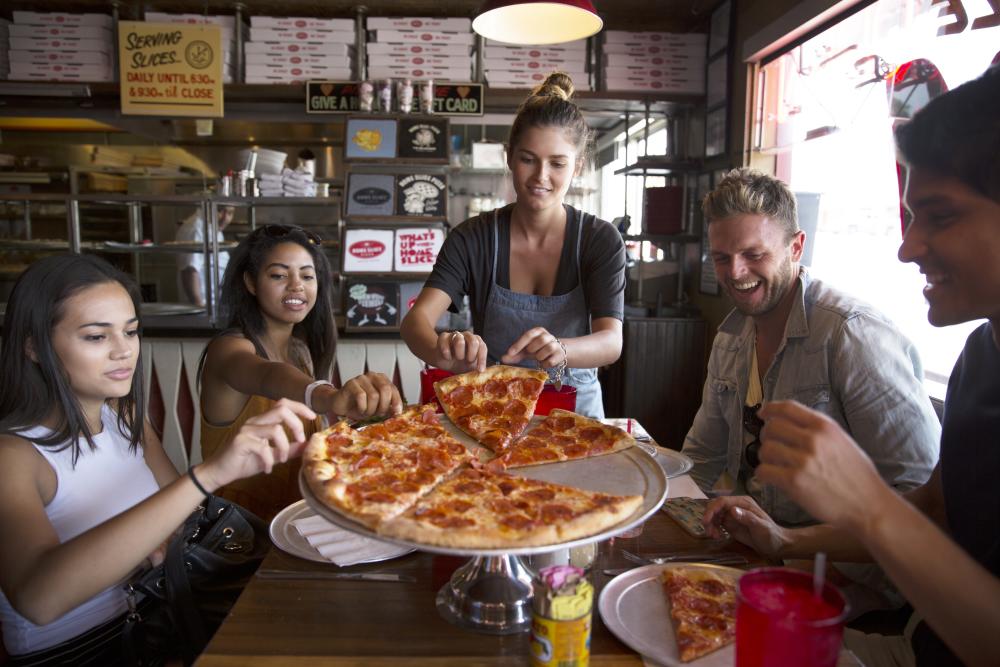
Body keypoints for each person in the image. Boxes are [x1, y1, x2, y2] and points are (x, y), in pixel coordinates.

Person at [704, 68, 1000, 666]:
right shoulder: (983, 355)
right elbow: (935, 508)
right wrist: (783, 540)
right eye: (910, 216)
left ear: (795, 248)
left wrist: (864, 501)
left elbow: (903, 504)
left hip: (864, 609)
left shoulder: (853, 332)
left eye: (939, 216)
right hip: (914, 642)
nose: (907, 247)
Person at [0, 254, 316, 664]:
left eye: (130, 332)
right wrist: (207, 475)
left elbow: (182, 514)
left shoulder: (124, 418)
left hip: (163, 616)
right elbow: (38, 598)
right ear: (33, 347)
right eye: (96, 337)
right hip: (83, 650)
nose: (123, 351)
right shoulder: (14, 455)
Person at [681, 168, 941, 612]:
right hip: (763, 556)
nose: (735, 273)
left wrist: (805, 556)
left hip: (855, 584)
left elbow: (920, 494)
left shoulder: (852, 335)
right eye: (722, 258)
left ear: (796, 247)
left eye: (753, 254)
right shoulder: (729, 337)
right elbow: (700, 459)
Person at [400, 71, 626, 418]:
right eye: (528, 159)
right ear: (509, 157)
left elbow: (611, 342)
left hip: (575, 416)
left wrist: (560, 348)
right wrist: (445, 350)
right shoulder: (472, 238)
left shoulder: (599, 240)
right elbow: (415, 325)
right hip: (492, 410)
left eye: (557, 163)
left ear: (577, 166)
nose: (540, 177)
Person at [198, 224, 402, 520]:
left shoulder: (300, 350)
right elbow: (267, 375)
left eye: (307, 276)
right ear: (251, 283)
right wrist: (330, 396)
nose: (297, 286)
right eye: (279, 275)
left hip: (298, 516)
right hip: (239, 532)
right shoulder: (228, 350)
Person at [176, 204, 235, 307]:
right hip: (203, 307)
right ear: (208, 206)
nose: (225, 218)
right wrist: (200, 308)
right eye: (220, 211)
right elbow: (190, 271)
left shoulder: (214, 228)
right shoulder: (196, 229)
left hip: (215, 306)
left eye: (230, 213)